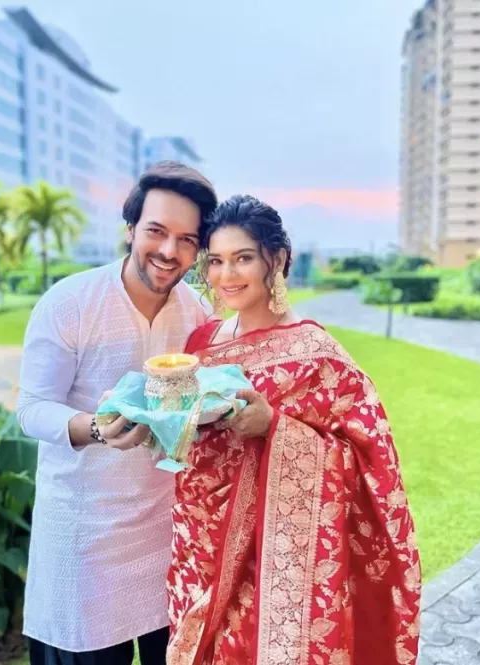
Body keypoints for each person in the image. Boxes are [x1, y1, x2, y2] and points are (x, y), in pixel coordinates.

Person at [163, 195, 422, 665]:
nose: (226, 275)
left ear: (277, 259)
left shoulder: (317, 355)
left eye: (243, 258)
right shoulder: (201, 343)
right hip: (197, 548)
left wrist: (274, 427)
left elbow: (371, 462)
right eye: (216, 261)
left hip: (275, 560)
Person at [16, 161, 217, 665]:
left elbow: (208, 395)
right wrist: (95, 429)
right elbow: (31, 408)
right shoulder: (71, 303)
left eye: (187, 240)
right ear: (130, 229)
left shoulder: (196, 312)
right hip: (83, 537)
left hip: (167, 535)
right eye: (156, 231)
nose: (169, 251)